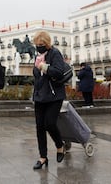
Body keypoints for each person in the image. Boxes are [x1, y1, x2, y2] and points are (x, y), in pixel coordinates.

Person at [31, 30, 66, 170]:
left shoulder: (55, 53)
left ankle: (59, 145)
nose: (38, 46)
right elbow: (36, 75)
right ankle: (43, 157)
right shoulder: (38, 55)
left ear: (46, 43)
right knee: (40, 127)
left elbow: (59, 71)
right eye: (37, 44)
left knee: (50, 124)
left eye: (41, 44)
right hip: (40, 96)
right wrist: (37, 67)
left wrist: (44, 66)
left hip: (54, 96)